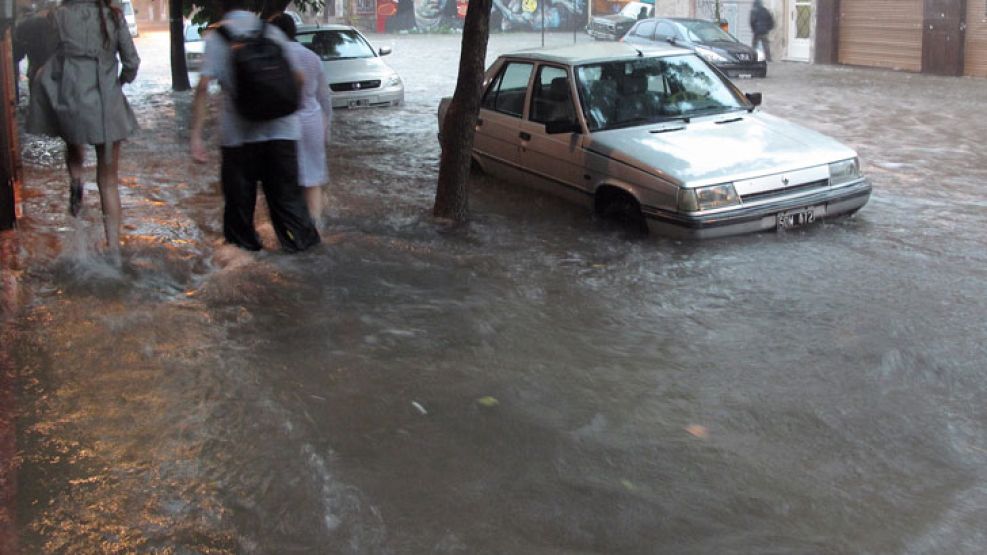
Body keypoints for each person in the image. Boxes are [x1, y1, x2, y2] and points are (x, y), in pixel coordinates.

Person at [189, 0, 320, 253]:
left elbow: (204, 87)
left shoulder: (218, 38)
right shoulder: (271, 32)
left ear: (220, 5)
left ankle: (246, 270)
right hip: (282, 135)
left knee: (239, 220)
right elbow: (299, 78)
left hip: (239, 140)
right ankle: (309, 258)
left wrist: (196, 137)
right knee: (291, 210)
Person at [26, 0, 140, 262]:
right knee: (109, 182)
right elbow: (132, 62)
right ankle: (113, 248)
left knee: (72, 141)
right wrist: (119, 83)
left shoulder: (58, 17)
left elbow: (51, 60)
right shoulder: (114, 16)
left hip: (73, 100)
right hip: (108, 106)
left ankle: (76, 178)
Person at [270, 14, 332, 227]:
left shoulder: (272, 55)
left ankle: (292, 229)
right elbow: (324, 97)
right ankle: (316, 225)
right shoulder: (312, 57)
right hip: (313, 122)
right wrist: (327, 127)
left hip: (283, 125)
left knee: (286, 179)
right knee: (313, 179)